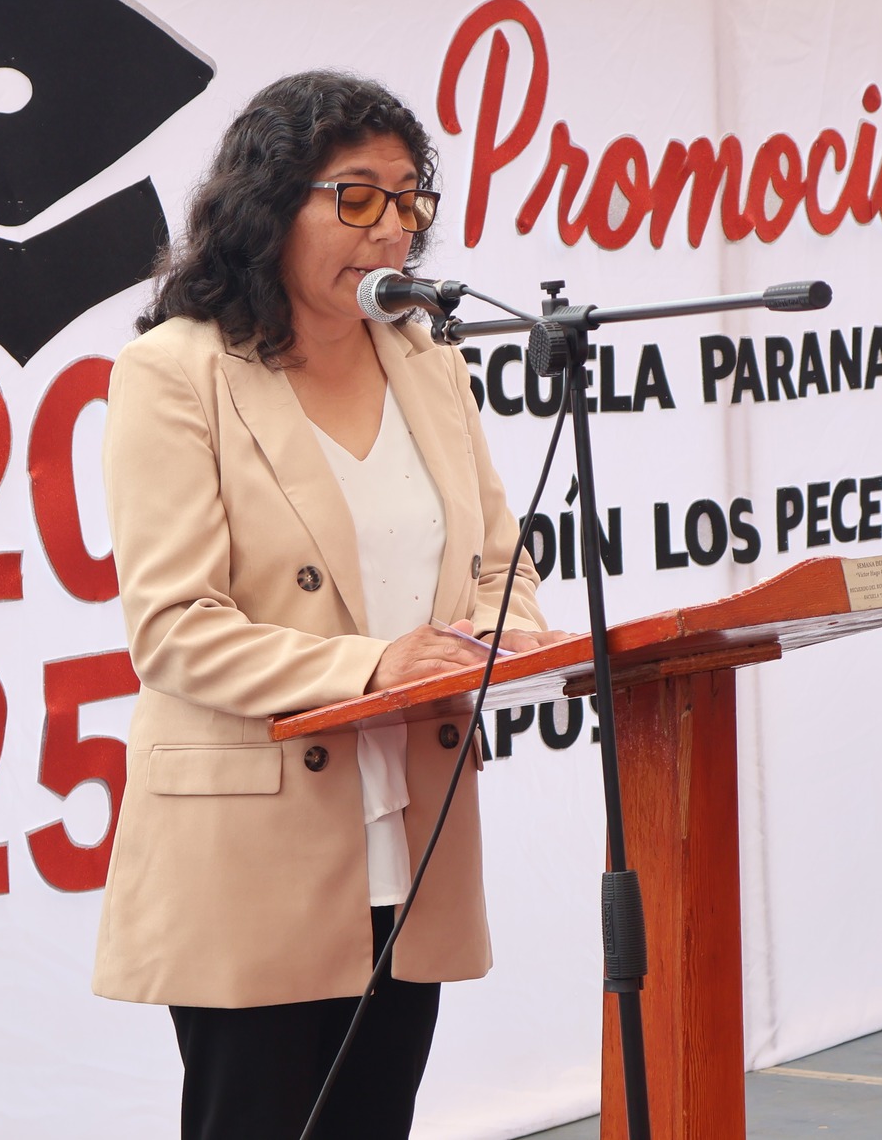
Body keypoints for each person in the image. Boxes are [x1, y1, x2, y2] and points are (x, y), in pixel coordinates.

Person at [95, 70, 570, 1140]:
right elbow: (172, 628)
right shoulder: (173, 372)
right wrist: (371, 668)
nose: (391, 228)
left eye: (408, 198)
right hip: (251, 849)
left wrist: (511, 640)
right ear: (268, 205)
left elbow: (500, 565)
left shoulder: (430, 365)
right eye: (356, 196)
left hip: (411, 833)